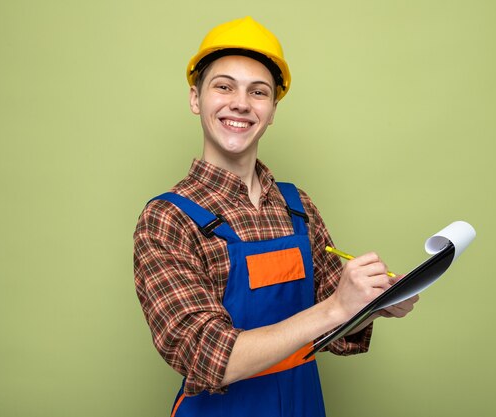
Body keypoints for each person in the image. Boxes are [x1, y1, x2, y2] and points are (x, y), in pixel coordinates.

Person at [134, 16, 419, 417]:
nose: (240, 103)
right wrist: (336, 308)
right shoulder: (167, 218)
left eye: (259, 92)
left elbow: (333, 327)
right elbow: (205, 353)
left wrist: (371, 303)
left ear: (272, 111)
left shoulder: (295, 205)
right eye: (223, 86)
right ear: (195, 98)